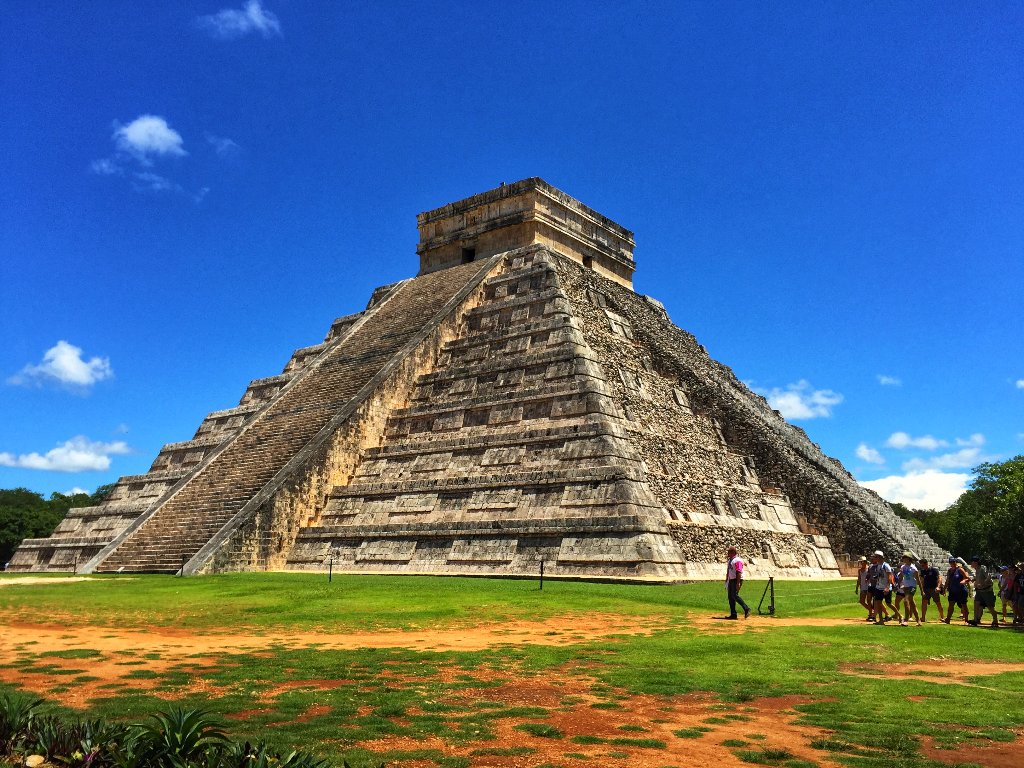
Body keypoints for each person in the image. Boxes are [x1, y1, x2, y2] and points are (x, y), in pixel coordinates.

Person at [968, 555, 998, 628]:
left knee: (990, 607)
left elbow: (989, 577)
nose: (971, 564)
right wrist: (974, 579)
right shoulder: (977, 570)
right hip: (979, 591)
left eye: (972, 562)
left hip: (986, 591)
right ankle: (975, 620)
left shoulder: (982, 568)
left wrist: (983, 583)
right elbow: (979, 577)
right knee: (976, 604)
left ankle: (995, 620)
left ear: (976, 562)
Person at [894, 552, 922, 626]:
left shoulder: (913, 568)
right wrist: (898, 585)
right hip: (906, 587)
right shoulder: (903, 567)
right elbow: (901, 577)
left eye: (905, 558)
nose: (903, 559)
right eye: (903, 558)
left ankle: (906, 620)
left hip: (912, 587)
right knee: (912, 603)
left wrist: (922, 591)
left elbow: (918, 580)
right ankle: (918, 620)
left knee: (906, 601)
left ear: (909, 559)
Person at [867, 550, 895, 624]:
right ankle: (881, 620)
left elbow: (890, 576)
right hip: (878, 587)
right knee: (878, 603)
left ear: (880, 557)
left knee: (888, 603)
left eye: (876, 557)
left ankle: (899, 616)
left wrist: (887, 587)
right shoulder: (878, 565)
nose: (875, 558)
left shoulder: (886, 565)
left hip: (885, 587)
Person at [725, 546, 750, 620]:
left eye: (729, 552)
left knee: (734, 595)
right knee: (730, 597)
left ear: (733, 552)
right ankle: (733, 614)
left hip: (736, 579)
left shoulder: (737, 560)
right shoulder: (730, 560)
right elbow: (729, 570)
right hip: (731, 580)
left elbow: (739, 572)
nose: (728, 554)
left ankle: (746, 608)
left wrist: (738, 583)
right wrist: (727, 579)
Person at [943, 557, 970, 624]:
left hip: (961, 590)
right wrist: (944, 589)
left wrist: (963, 581)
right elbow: (947, 581)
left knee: (964, 605)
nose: (952, 563)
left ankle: (966, 620)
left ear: (955, 562)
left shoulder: (960, 569)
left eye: (953, 562)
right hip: (952, 590)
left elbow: (967, 578)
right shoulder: (950, 571)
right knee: (951, 605)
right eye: (951, 562)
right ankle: (948, 619)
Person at [918, 558, 943, 623]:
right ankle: (923, 617)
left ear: (926, 564)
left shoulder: (934, 570)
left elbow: (940, 578)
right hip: (926, 589)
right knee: (924, 602)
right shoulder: (922, 571)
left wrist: (938, 587)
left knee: (938, 602)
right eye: (921, 565)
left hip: (934, 588)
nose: (922, 567)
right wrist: (922, 590)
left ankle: (942, 617)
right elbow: (922, 580)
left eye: (923, 565)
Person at [856, 556, 873, 621]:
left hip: (868, 586)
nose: (861, 563)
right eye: (860, 562)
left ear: (865, 562)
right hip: (863, 587)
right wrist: (857, 588)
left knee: (869, 601)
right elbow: (859, 579)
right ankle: (872, 611)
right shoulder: (860, 570)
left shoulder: (869, 569)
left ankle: (871, 614)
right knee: (862, 601)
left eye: (862, 562)